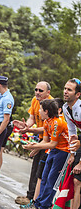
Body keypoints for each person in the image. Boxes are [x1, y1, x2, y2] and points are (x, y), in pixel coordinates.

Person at [23, 99, 69, 209]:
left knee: (51, 180)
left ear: (46, 111)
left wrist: (34, 146)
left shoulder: (57, 122)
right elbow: (45, 141)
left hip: (63, 152)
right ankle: (38, 203)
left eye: (40, 109)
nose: (38, 111)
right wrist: (34, 146)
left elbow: (52, 144)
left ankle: (45, 205)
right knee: (44, 178)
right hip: (53, 151)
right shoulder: (47, 121)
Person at [13, 81, 53, 205]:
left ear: (48, 93)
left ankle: (37, 201)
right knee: (35, 167)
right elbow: (32, 118)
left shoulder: (52, 104)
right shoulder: (35, 100)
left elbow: (48, 128)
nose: (37, 92)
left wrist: (29, 129)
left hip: (51, 141)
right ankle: (30, 197)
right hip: (42, 138)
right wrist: (26, 126)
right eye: (36, 89)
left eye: (41, 90)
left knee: (42, 171)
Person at [63, 78, 81, 209]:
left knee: (77, 180)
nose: (65, 92)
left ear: (78, 94)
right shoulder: (65, 108)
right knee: (76, 180)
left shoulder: (80, 110)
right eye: (65, 88)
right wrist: (72, 154)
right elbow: (72, 132)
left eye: (69, 90)